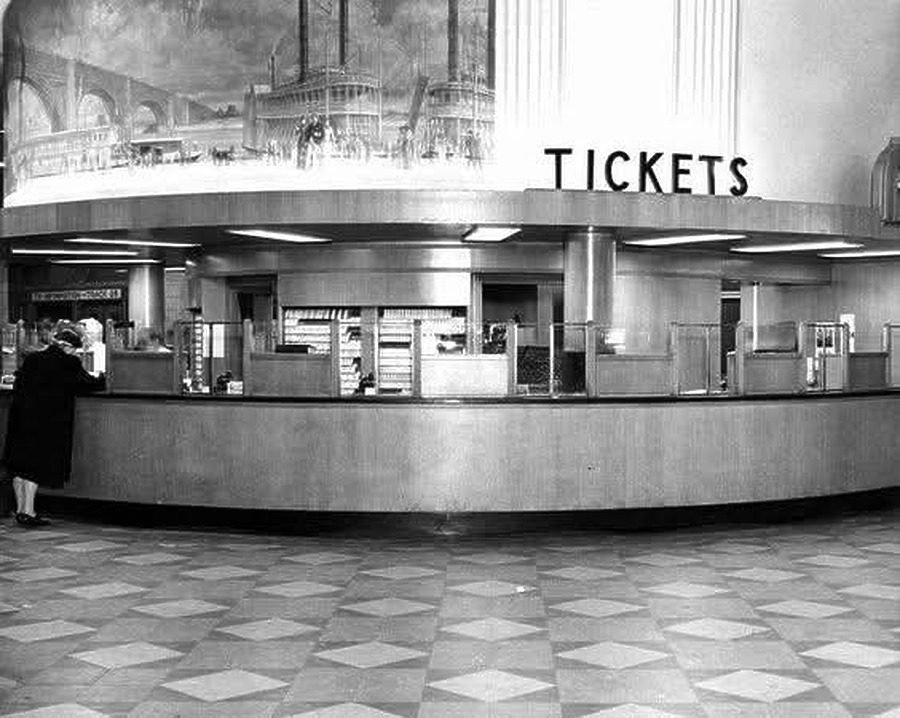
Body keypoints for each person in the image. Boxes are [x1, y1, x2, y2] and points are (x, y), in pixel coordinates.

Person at [3, 324, 105, 527]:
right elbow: (89, 384)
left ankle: (20, 510)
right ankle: (29, 512)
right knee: (34, 466)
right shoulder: (68, 362)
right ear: (69, 347)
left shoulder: (32, 358)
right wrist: (102, 378)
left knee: (19, 465)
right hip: (45, 420)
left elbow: (17, 382)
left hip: (20, 418)